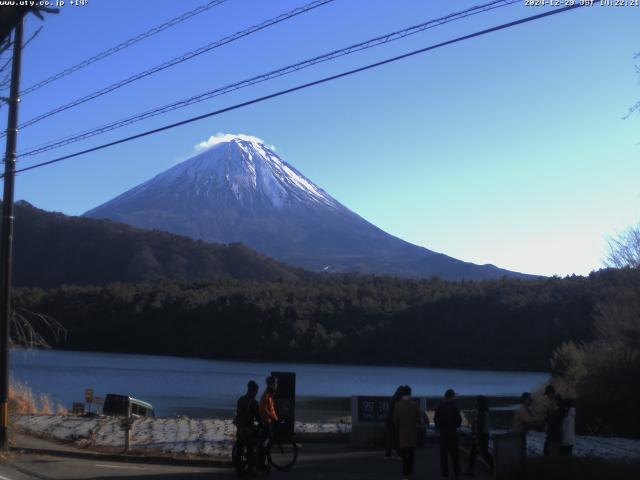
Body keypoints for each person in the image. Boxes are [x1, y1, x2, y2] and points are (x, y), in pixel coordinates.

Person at [393, 385, 428, 480]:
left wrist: (398, 428)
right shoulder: (414, 404)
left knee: (404, 455)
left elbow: (395, 420)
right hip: (412, 433)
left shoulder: (398, 405)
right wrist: (424, 421)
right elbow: (422, 414)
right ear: (410, 393)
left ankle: (405, 474)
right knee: (411, 454)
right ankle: (410, 472)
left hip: (402, 434)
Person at [234, 380, 261, 475]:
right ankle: (251, 468)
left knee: (240, 447)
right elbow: (258, 417)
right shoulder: (254, 403)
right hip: (248, 428)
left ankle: (238, 467)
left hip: (239, 426)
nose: (256, 393)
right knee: (251, 447)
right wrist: (262, 424)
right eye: (256, 391)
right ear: (253, 391)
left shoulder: (240, 399)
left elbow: (238, 412)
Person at [434, 388, 462, 479]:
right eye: (453, 396)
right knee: (455, 455)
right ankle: (457, 472)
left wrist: (440, 427)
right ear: (451, 396)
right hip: (453, 434)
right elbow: (459, 421)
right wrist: (454, 426)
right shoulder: (454, 407)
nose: (454, 398)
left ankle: (445, 473)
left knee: (443, 456)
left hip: (443, 434)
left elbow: (436, 420)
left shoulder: (439, 406)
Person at [465, 395, 494, 476]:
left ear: (479, 402)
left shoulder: (481, 413)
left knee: (483, 453)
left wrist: (475, 435)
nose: (475, 402)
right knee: (475, 452)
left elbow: (479, 426)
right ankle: (470, 470)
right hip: (482, 435)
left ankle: (494, 466)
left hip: (480, 436)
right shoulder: (484, 411)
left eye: (476, 401)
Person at [384, 386, 403, 459]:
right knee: (396, 438)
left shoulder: (394, 398)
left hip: (389, 420)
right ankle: (399, 454)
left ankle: (388, 454)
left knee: (391, 438)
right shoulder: (397, 400)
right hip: (392, 421)